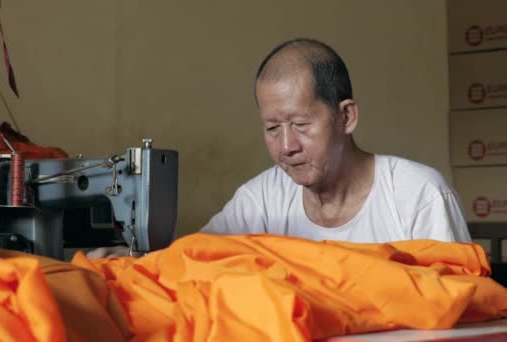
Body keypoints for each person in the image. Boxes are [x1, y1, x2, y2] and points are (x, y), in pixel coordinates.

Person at [87, 38, 470, 259]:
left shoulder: (417, 195)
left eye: (301, 125)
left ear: (346, 117)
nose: (286, 146)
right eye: (272, 128)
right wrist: (138, 262)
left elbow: (459, 308)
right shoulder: (262, 200)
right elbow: (194, 259)